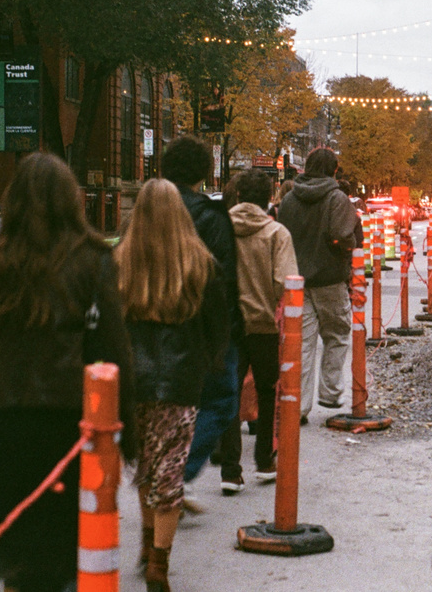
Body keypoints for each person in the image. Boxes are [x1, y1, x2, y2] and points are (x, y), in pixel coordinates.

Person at [0, 152, 133, 592]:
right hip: (67, 420)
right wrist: (124, 431)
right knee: (63, 540)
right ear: (70, 201)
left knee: (18, 534)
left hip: (5, 418)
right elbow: (113, 352)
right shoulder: (93, 261)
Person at [115, 179, 229, 591]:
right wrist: (211, 364)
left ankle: (146, 544)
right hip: (181, 381)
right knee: (170, 471)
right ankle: (159, 563)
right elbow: (218, 326)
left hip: (132, 381)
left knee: (145, 467)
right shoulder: (200, 263)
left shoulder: (119, 262)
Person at [161, 135, 242, 510]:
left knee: (163, 405)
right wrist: (226, 334)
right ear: (204, 172)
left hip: (152, 323)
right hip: (199, 326)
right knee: (221, 399)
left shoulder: (146, 212)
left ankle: (161, 482)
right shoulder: (209, 217)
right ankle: (179, 473)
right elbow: (223, 282)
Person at [219, 169, 299, 494]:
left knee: (229, 394)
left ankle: (229, 470)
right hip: (263, 325)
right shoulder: (277, 233)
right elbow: (285, 281)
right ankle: (264, 459)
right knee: (268, 393)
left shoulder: (219, 229)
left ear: (237, 196)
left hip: (226, 326)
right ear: (269, 198)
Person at [277, 148, 360, 421]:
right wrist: (347, 248)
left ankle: (298, 406)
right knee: (337, 334)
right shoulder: (337, 198)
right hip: (329, 278)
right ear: (334, 170)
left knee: (303, 342)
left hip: (296, 280)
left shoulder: (289, 199)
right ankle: (330, 392)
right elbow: (342, 233)